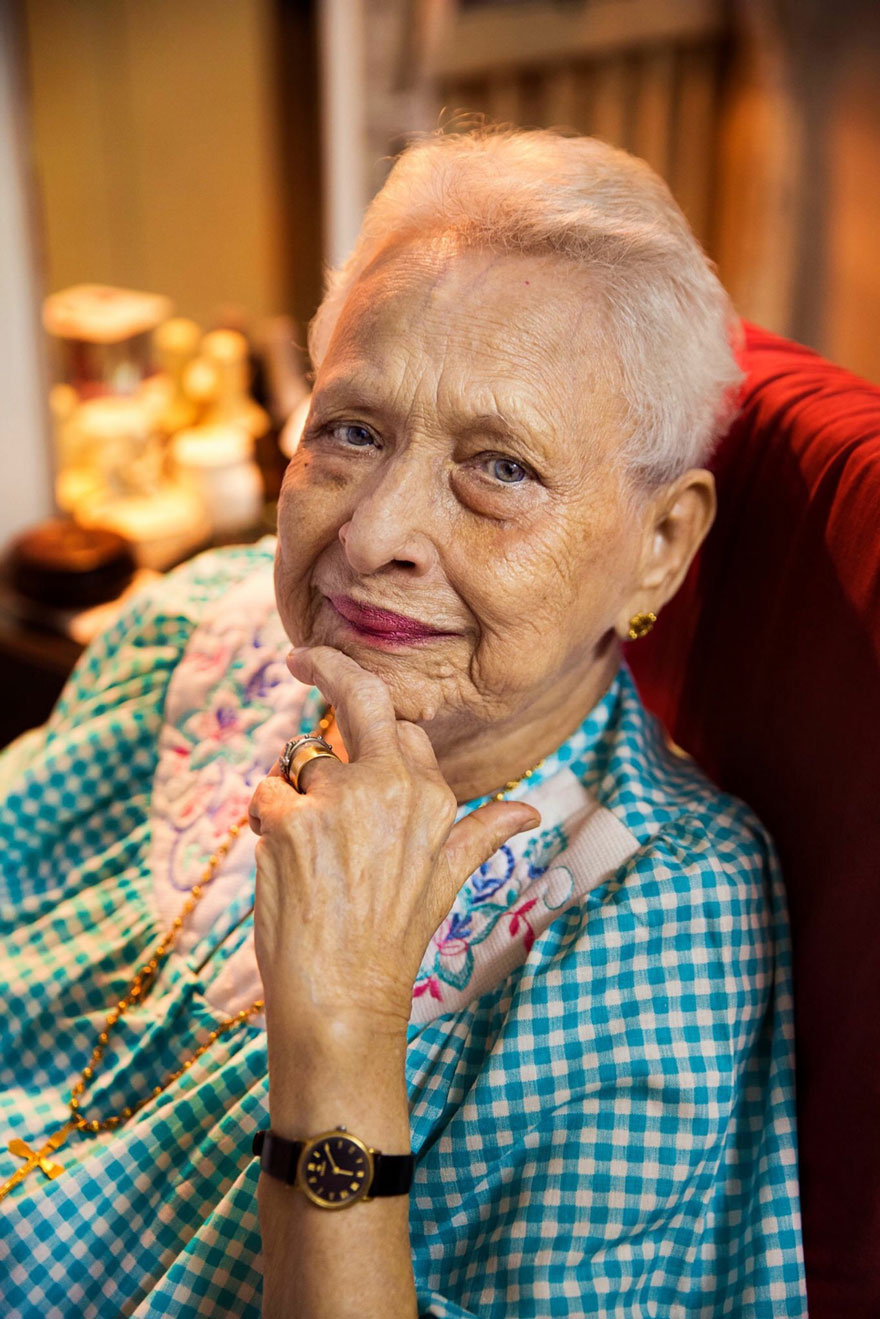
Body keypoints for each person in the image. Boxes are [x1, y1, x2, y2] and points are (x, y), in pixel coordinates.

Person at [0, 128, 806, 1317]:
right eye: (352, 430)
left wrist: (342, 1030)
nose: (373, 533)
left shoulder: (660, 913)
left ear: (660, 544)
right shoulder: (191, 626)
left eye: (501, 468)